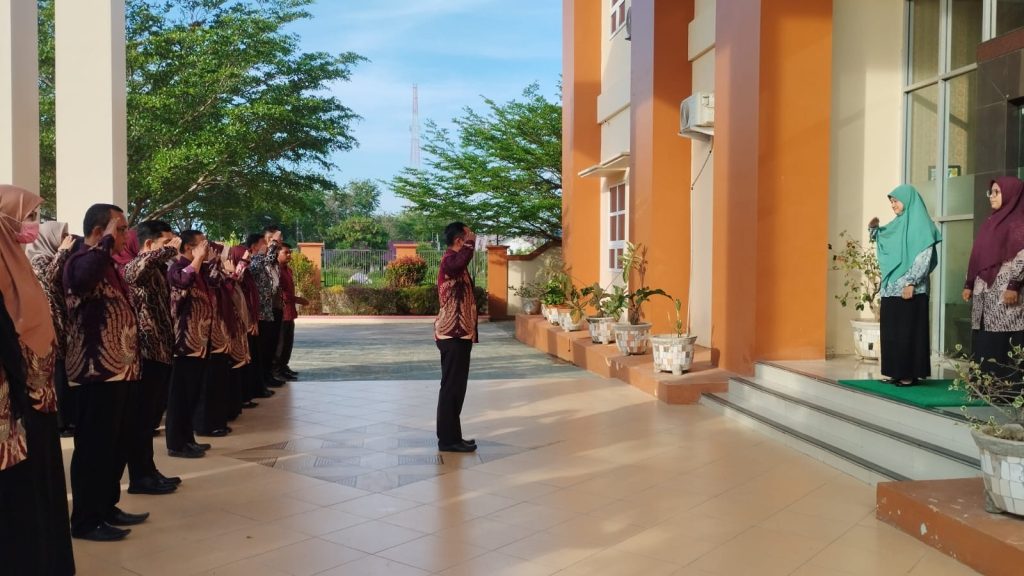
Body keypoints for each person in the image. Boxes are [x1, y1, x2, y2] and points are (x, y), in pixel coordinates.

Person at [0, 185, 76, 572]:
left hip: (40, 390)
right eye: (28, 216)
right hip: (15, 400)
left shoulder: (20, 262)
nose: (33, 224)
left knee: (43, 477)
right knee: (20, 487)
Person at [64, 203, 149, 541]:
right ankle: (86, 519)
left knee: (116, 443)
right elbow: (81, 281)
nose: (127, 234)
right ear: (100, 231)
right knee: (94, 446)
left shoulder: (108, 262)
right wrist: (105, 243)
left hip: (120, 371)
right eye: (121, 228)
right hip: (95, 371)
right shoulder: (80, 259)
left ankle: (106, 506)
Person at [123, 220, 182, 494]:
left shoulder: (158, 268)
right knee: (142, 418)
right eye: (166, 241)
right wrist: (167, 251)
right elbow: (133, 273)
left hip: (162, 350)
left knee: (151, 417)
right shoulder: (138, 265)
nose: (172, 247)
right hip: (147, 351)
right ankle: (140, 476)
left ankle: (148, 470)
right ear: (149, 244)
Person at [870, 185, 942, 387]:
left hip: (911, 290)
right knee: (892, 332)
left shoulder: (922, 226)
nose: (893, 205)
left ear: (908, 200)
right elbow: (886, 240)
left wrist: (912, 282)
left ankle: (909, 374)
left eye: (896, 201)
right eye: (891, 201)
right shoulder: (898, 224)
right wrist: (874, 230)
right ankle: (895, 371)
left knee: (908, 332)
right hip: (891, 289)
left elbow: (924, 255)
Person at [963, 177, 1024, 378]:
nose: (992, 196)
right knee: (985, 337)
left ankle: (1004, 388)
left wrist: (1014, 284)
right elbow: (977, 256)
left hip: (1005, 292)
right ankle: (984, 385)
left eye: (997, 192)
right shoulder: (990, 223)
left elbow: (1022, 255)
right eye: (991, 192)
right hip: (984, 292)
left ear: (1011, 194)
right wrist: (969, 283)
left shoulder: (1018, 222)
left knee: (1003, 338)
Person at [26, 220, 78, 437]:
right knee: (57, 374)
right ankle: (60, 422)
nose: (66, 239)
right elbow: (48, 279)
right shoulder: (38, 259)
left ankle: (67, 419)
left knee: (64, 373)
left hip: (62, 323)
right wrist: (63, 253)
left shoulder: (56, 259)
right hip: (49, 325)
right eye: (62, 235)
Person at [166, 230, 216, 458]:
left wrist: (210, 259)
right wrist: (198, 259)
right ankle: (177, 443)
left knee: (193, 393)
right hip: (184, 341)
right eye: (202, 244)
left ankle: (188, 438)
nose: (206, 247)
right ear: (188, 247)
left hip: (200, 341)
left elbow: (217, 281)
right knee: (181, 396)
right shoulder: (177, 268)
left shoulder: (200, 269)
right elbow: (183, 281)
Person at [434, 222, 479, 453]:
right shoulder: (450, 261)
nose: (473, 239)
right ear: (459, 240)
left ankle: (453, 437)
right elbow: (457, 264)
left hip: (460, 335)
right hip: (452, 335)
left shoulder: (456, 261)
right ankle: (448, 440)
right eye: (468, 236)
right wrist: (470, 244)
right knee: (451, 389)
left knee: (456, 388)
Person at [233, 234, 272, 401]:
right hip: (246, 319)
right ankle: (250, 391)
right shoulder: (248, 265)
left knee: (259, 354)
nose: (267, 246)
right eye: (264, 243)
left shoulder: (249, 269)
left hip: (255, 316)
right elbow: (236, 279)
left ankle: (257, 387)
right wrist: (246, 260)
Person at [250, 228, 285, 389]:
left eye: (274, 239)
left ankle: (268, 375)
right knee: (263, 347)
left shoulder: (272, 259)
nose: (270, 243)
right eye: (268, 240)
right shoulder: (257, 260)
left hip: (272, 308)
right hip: (262, 311)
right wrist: (274, 243)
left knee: (272, 345)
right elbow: (264, 263)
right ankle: (262, 379)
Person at [273, 242, 307, 381]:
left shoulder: (288, 270)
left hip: (290, 313)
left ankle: (284, 367)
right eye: (285, 253)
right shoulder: (276, 271)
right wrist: (297, 299)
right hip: (281, 312)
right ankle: (276, 370)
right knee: (280, 344)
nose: (289, 255)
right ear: (277, 254)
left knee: (288, 343)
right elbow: (280, 293)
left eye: (290, 252)